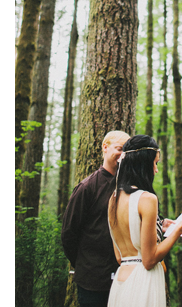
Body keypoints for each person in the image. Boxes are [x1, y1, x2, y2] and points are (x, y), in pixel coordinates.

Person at [107, 134, 182, 307]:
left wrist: (159, 226)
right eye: (155, 163)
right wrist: (179, 228)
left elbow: (120, 256)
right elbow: (149, 260)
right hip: (143, 282)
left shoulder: (113, 199)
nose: (156, 170)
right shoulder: (147, 199)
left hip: (121, 281)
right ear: (143, 163)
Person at [61, 131, 130, 307]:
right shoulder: (87, 187)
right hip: (92, 282)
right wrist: (86, 263)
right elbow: (69, 233)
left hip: (124, 278)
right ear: (105, 148)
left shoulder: (129, 187)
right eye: (119, 149)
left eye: (127, 152)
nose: (123, 155)